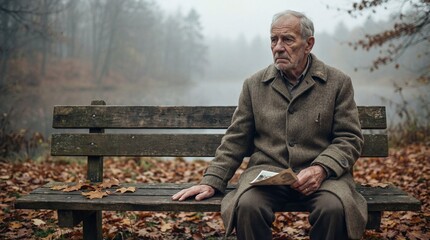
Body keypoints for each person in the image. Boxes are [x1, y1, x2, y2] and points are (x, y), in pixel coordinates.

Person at [172, 10, 366, 240]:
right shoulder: (254, 85)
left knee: (333, 209)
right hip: (268, 177)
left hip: (324, 179)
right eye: (274, 40)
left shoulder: (337, 83)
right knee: (247, 206)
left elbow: (349, 138)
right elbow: (235, 140)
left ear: (309, 44)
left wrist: (321, 168)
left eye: (288, 39)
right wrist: (212, 181)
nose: (278, 47)